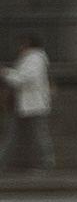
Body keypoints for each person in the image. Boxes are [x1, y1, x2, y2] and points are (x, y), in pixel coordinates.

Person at [5, 39, 52, 175]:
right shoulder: (32, 59)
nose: (19, 47)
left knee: (36, 136)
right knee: (18, 135)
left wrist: (7, 73)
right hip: (26, 105)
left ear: (27, 45)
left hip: (33, 106)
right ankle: (40, 163)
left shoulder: (34, 59)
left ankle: (43, 163)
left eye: (21, 44)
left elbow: (25, 79)